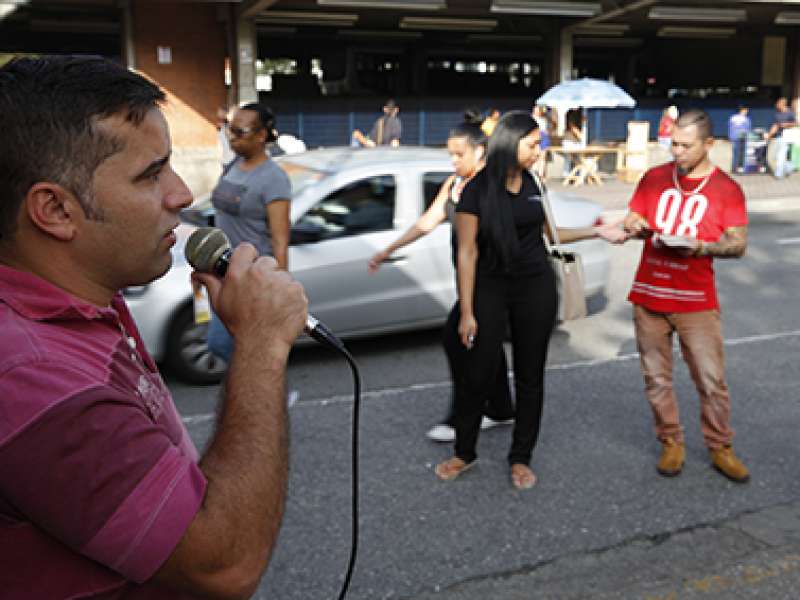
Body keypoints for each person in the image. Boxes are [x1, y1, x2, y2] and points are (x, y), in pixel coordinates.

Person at [0, 55, 308, 598]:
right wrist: (261, 344)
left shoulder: (85, 295)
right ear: (55, 209)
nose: (183, 194)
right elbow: (223, 566)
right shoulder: (34, 376)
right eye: (151, 174)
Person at [434, 111, 622, 490]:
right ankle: (464, 452)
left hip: (534, 286)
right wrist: (467, 310)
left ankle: (521, 456)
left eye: (540, 145)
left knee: (530, 375)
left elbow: (551, 234)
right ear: (511, 142)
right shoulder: (476, 189)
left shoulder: (535, 183)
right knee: (478, 372)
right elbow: (466, 253)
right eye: (533, 144)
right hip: (489, 287)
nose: (539, 152)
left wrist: (600, 231)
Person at [621, 109, 750, 483]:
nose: (675, 152)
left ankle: (720, 446)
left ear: (709, 144)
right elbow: (632, 217)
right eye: (672, 144)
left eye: (685, 146)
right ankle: (670, 441)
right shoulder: (654, 178)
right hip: (648, 295)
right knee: (656, 378)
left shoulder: (727, 189)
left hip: (695, 301)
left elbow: (738, 244)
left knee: (711, 380)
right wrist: (635, 225)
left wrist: (698, 247)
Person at [368, 121, 514, 443]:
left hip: (489, 282)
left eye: (459, 155)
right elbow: (428, 221)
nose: (453, 162)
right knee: (483, 346)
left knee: (459, 341)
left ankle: (461, 420)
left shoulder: (494, 187)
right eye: (450, 155)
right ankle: (502, 407)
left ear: (480, 151)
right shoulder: (455, 184)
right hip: (470, 283)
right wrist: (389, 249)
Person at [207, 102, 292, 362]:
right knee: (227, 347)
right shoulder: (234, 166)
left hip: (251, 279)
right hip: (223, 274)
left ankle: (268, 393)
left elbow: (279, 240)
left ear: (261, 136)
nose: (231, 137)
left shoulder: (273, 178)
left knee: (226, 344)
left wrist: (279, 289)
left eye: (239, 132)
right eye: (228, 130)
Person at [765, 97, 797, 179]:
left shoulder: (790, 113)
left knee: (781, 155)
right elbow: (775, 125)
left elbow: (796, 123)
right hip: (778, 137)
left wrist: (787, 124)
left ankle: (778, 174)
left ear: (782, 104)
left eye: (777, 104)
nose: (776, 105)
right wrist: (769, 135)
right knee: (775, 156)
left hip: (787, 136)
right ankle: (790, 167)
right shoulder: (777, 114)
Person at [727, 105, 751, 174]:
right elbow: (748, 129)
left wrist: (730, 137)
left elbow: (730, 128)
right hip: (743, 137)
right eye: (746, 110)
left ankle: (734, 169)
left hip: (734, 137)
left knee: (735, 153)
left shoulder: (732, 118)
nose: (747, 111)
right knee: (743, 153)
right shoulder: (746, 119)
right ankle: (742, 168)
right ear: (743, 110)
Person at [562, 108, 585, 178]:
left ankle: (576, 174)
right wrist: (582, 137)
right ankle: (568, 175)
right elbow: (572, 127)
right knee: (569, 158)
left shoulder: (581, 113)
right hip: (570, 140)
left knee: (577, 159)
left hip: (576, 140)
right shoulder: (572, 113)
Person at [531, 104, 551, 179]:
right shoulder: (532, 118)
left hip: (544, 137)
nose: (537, 111)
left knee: (543, 157)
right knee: (536, 156)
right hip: (536, 137)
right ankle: (534, 173)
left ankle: (541, 174)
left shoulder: (544, 119)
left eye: (538, 109)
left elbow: (551, 126)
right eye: (535, 109)